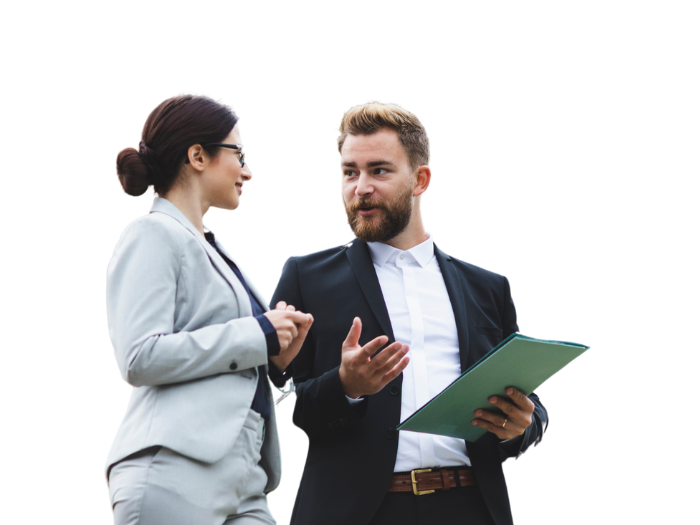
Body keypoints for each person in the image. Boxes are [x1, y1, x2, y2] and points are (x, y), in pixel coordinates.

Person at [269, 100, 549, 525]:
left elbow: (529, 402)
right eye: (349, 172)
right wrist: (345, 385)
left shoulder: (487, 287)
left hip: (471, 507)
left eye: (379, 171)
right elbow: (276, 400)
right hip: (356, 513)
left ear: (421, 180)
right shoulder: (305, 276)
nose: (360, 186)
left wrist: (522, 425)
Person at [105, 91, 313, 525]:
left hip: (246, 480)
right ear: (197, 155)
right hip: (175, 471)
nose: (248, 171)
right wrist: (258, 335)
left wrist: (274, 361)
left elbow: (228, 360)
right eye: (239, 153)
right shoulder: (151, 233)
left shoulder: (212, 248)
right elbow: (139, 356)